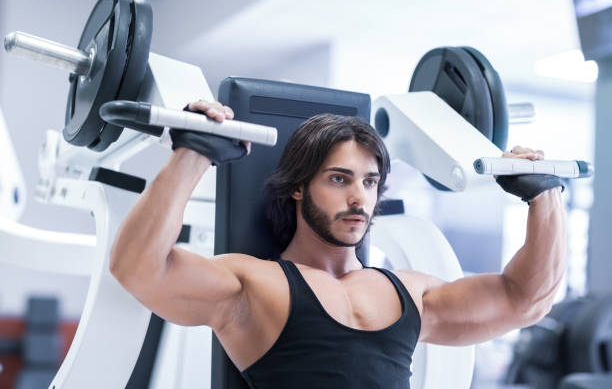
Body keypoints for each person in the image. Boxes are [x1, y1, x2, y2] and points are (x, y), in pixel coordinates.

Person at [109, 100, 566, 388]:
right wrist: (193, 152)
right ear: (299, 188)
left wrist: (543, 194)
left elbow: (527, 299)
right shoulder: (255, 284)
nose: (358, 197)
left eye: (370, 182)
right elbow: (137, 267)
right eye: (338, 179)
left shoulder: (412, 293)